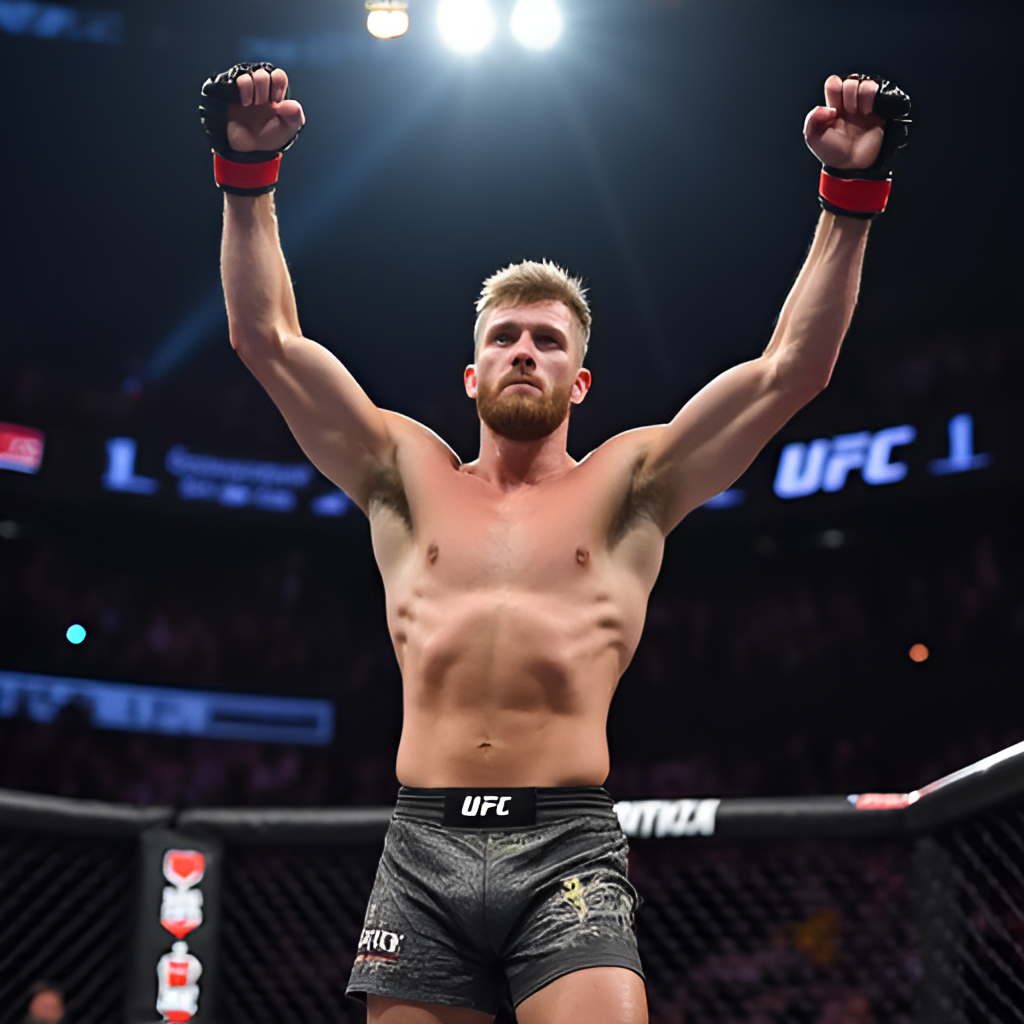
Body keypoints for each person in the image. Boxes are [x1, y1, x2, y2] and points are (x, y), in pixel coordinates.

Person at [199, 64, 909, 1024]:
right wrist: (250, 175)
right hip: (422, 844)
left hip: (565, 845)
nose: (524, 350)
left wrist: (849, 200)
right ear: (470, 371)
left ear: (580, 380)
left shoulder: (631, 485)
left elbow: (792, 371)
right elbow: (267, 340)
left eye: (546, 340)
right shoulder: (399, 473)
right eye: (504, 337)